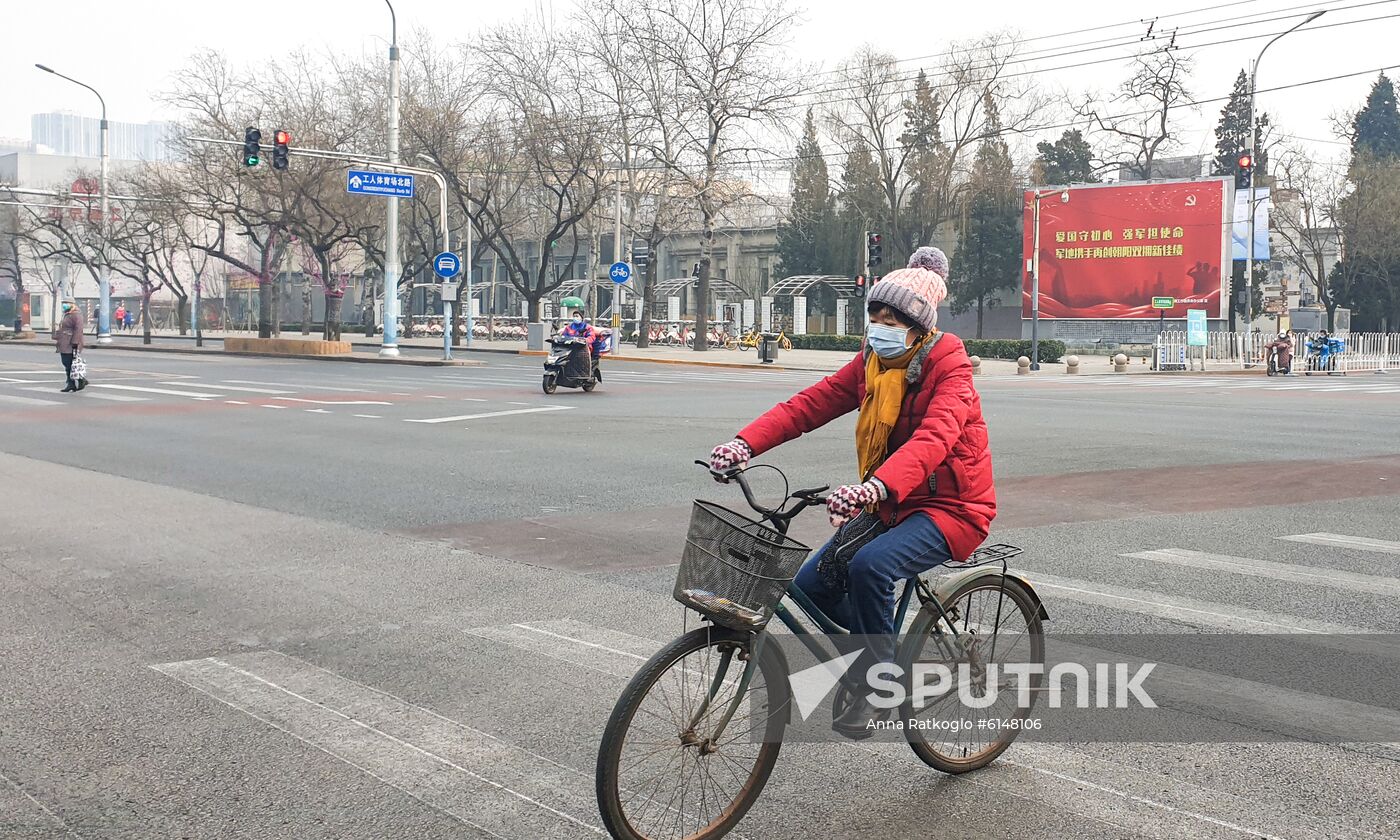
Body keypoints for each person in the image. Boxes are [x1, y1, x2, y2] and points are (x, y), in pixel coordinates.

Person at [708, 246, 995, 736]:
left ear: (919, 325)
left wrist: (875, 487)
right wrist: (744, 443)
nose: (879, 324)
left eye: (893, 317)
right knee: (810, 582)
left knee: (870, 567)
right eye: (875, 314)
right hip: (890, 500)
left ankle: (879, 683)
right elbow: (810, 404)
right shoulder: (871, 363)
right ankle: (873, 642)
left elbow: (934, 439)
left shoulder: (951, 368)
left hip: (952, 506)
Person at [55, 298, 86, 392]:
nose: (64, 305)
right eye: (63, 303)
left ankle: (77, 381)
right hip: (65, 342)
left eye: (66, 303)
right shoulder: (67, 314)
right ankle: (74, 382)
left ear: (72, 304)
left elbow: (78, 329)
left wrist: (75, 342)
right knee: (68, 363)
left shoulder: (76, 315)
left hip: (71, 343)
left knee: (69, 363)